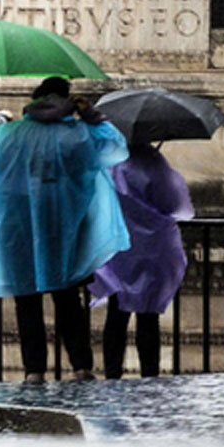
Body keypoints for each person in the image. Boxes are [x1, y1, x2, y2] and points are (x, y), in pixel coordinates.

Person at [0, 76, 129, 384]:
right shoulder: (78, 135)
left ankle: (34, 370)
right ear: (67, 100)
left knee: (27, 301)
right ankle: (81, 366)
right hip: (67, 230)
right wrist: (93, 117)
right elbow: (117, 150)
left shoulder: (9, 136)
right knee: (68, 301)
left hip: (18, 231)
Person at [89, 142, 195, 379]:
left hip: (119, 248)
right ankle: (150, 375)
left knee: (116, 315)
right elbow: (173, 202)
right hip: (152, 248)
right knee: (148, 317)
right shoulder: (152, 162)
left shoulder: (108, 161)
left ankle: (112, 375)